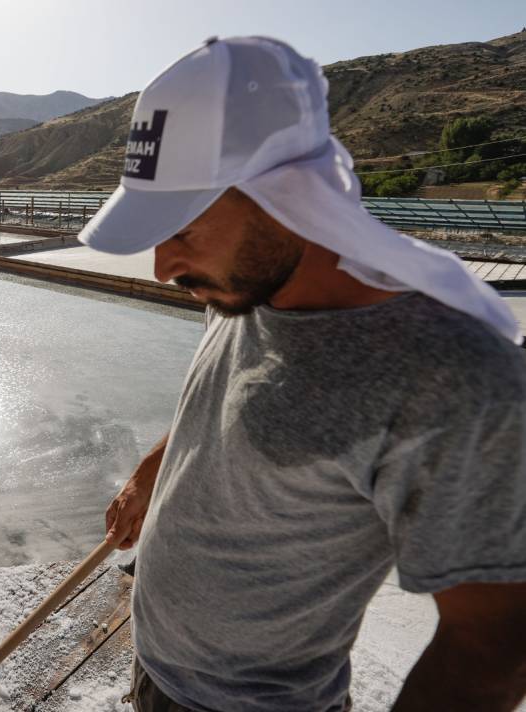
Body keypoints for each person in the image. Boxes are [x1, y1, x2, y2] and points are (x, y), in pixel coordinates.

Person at [81, 37, 526, 712]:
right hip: (161, 674)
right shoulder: (246, 287)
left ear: (285, 198)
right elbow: (216, 408)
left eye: (184, 227)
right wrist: (153, 469)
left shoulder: (447, 375)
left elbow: (494, 649)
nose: (162, 267)